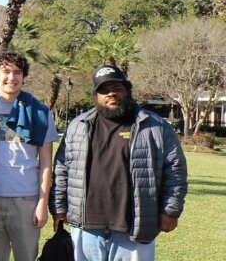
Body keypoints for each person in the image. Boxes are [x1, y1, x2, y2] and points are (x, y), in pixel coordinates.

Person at [52, 65, 188, 261]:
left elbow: (175, 169)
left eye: (117, 88)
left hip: (133, 230)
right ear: (96, 96)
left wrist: (170, 210)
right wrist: (58, 207)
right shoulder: (78, 126)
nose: (111, 94)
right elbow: (62, 169)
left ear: (127, 90)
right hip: (86, 228)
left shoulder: (155, 126)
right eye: (104, 90)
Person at [0, 52, 57, 261]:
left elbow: (46, 164)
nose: (11, 77)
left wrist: (42, 203)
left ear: (23, 77)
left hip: (26, 199)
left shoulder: (40, 112)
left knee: (26, 257)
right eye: (6, 71)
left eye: (17, 72)